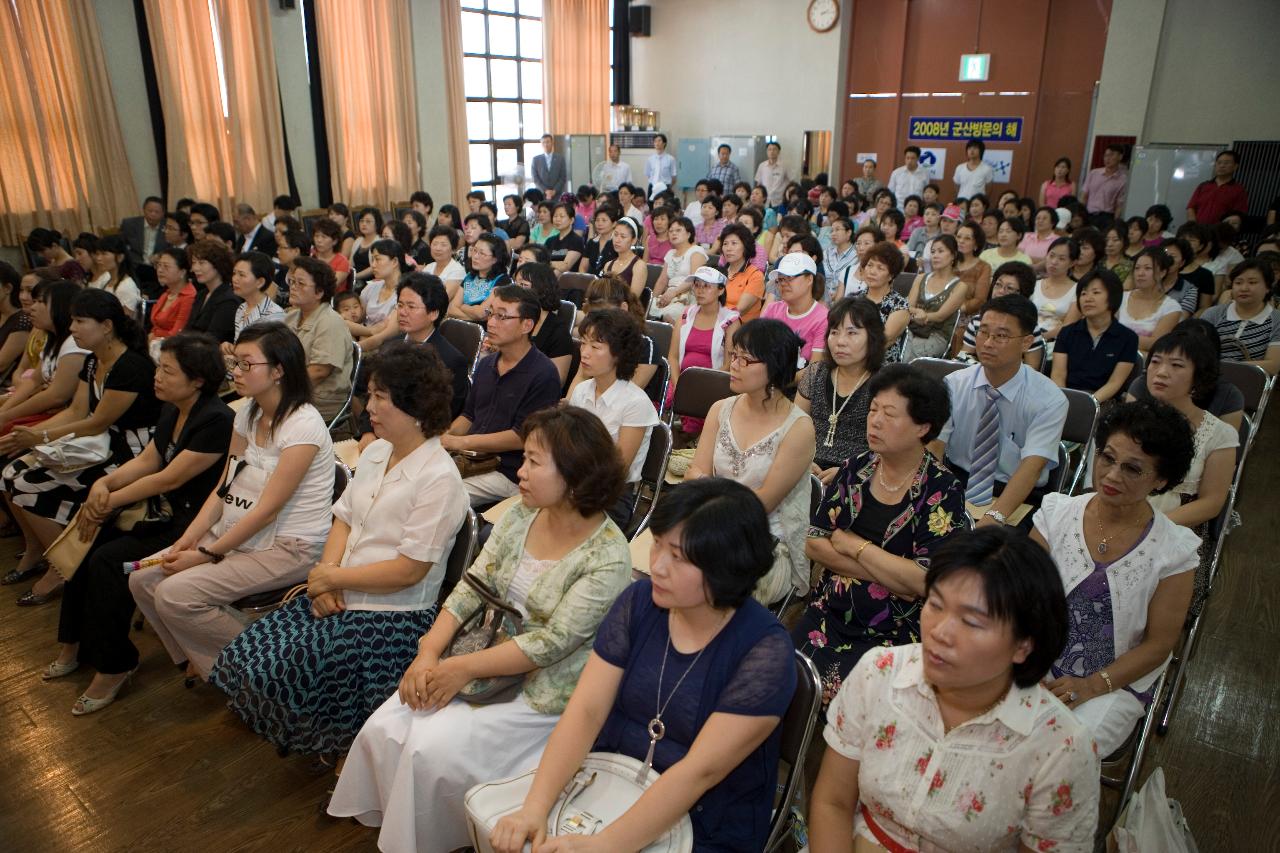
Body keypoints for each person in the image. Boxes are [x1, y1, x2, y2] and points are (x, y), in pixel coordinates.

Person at [329, 405, 631, 852]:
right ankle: (394, 821)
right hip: (482, 650)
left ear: (575, 475)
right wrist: (429, 652)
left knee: (426, 748)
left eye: (533, 462)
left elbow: (550, 645)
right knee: (387, 725)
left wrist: (461, 668)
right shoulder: (522, 515)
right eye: (523, 459)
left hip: (540, 689)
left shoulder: (608, 556)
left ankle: (421, 839)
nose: (520, 472)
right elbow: (473, 586)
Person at [488, 477, 796, 853]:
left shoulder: (765, 651)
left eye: (678, 557)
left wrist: (606, 845)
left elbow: (699, 772)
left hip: (704, 820)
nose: (657, 566)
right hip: (609, 780)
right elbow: (585, 711)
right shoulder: (640, 601)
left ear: (726, 568)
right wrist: (533, 810)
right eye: (658, 545)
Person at [210, 343, 468, 755]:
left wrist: (334, 577)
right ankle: (318, 738)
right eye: (371, 395)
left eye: (381, 398)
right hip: (342, 590)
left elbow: (409, 570)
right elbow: (344, 517)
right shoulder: (377, 451)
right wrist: (325, 576)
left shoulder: (439, 478)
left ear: (415, 407)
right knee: (249, 655)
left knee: (288, 665)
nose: (369, 407)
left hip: (393, 615)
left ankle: (339, 745)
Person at [809, 526, 1100, 852]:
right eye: (935, 605)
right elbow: (833, 802)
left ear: (1023, 645)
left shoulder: (1060, 747)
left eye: (972, 622)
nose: (940, 632)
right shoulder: (879, 673)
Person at [129, 323, 335, 681]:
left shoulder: (303, 426)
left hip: (292, 547)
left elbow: (269, 508)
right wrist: (189, 540)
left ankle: (267, 667)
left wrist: (207, 553)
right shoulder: (248, 412)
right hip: (243, 529)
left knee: (174, 595)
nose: (235, 372)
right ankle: (210, 662)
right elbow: (226, 486)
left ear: (278, 370)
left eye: (245, 364)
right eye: (234, 363)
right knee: (143, 580)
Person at [43, 333, 232, 714]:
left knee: (109, 562)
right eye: (159, 367)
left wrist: (109, 501)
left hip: (193, 522)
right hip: (161, 511)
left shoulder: (217, 419)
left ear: (197, 380)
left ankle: (116, 664)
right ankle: (74, 643)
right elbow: (149, 460)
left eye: (167, 370)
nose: (157, 377)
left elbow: (170, 478)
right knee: (91, 544)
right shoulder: (171, 409)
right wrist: (104, 484)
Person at [1031, 399, 1199, 755]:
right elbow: (1022, 595)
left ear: (1161, 480)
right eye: (1107, 458)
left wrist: (1091, 685)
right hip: (1034, 653)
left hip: (1113, 682)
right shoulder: (1056, 514)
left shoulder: (1174, 551)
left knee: (1063, 752)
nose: (1110, 475)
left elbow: (1159, 644)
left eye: (1132, 469)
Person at [796, 362, 966, 701]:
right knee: (775, 681)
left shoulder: (942, 490)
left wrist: (853, 545)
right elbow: (815, 544)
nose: (874, 420)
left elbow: (923, 582)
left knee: (850, 703)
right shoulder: (855, 468)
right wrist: (892, 575)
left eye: (889, 414)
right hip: (828, 611)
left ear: (923, 427)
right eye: (873, 409)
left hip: (897, 630)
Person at [2, 288, 159, 607]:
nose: (72, 328)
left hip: (133, 451)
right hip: (102, 442)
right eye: (72, 320)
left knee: (29, 487)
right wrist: (30, 434)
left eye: (79, 321)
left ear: (106, 326)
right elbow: (76, 410)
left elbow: (97, 422)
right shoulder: (93, 360)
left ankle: (65, 567)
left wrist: (40, 438)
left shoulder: (131, 366)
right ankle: (47, 554)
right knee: (10, 472)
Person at [687, 319, 816, 605]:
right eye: (734, 355)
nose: (734, 365)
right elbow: (694, 471)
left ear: (774, 366)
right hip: (712, 526)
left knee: (702, 585)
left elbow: (763, 504)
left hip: (765, 541)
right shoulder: (720, 409)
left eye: (745, 359)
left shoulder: (798, 428)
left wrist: (708, 491)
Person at [936, 294, 1068, 524]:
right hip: (956, 481)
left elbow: (1031, 468)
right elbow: (934, 448)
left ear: (1026, 343)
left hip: (1018, 493)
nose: (987, 343)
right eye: (984, 332)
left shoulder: (1050, 399)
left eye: (1001, 336)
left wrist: (994, 516)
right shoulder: (954, 384)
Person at [442, 285, 562, 507]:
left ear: (527, 325)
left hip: (508, 470)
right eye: (491, 313)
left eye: (502, 316)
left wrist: (460, 442)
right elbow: (469, 416)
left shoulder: (544, 374)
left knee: (443, 495)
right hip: (470, 458)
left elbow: (522, 436)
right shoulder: (487, 364)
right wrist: (444, 438)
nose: (491, 322)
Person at [568, 308, 659, 526]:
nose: (585, 352)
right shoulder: (582, 391)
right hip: (571, 482)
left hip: (611, 496)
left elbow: (617, 468)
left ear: (618, 354)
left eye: (595, 346)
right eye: (583, 343)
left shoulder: (635, 402)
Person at [799, 297, 886, 484]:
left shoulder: (885, 383)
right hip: (807, 470)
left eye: (852, 333)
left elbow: (890, 449)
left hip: (860, 477)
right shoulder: (816, 373)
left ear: (873, 337)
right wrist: (803, 461)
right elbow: (794, 428)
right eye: (834, 332)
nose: (840, 342)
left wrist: (849, 473)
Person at [0, 281, 89, 444]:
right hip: (48, 411)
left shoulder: (74, 343)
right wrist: (3, 413)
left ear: (61, 306)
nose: (33, 307)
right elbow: (33, 381)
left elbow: (56, 396)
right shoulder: (52, 338)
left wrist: (7, 416)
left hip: (63, 418)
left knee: (9, 434)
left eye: (40, 302)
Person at [666, 266, 740, 436]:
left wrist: (702, 382)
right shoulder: (686, 315)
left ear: (721, 290)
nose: (700, 290)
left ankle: (690, 438)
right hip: (682, 380)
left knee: (697, 405)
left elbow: (730, 364)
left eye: (706, 286)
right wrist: (679, 384)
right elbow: (673, 356)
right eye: (697, 285)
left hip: (713, 382)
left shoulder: (731, 321)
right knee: (660, 400)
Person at [281, 257, 353, 425]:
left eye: (300, 283)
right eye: (292, 282)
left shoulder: (330, 322)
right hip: (293, 391)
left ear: (319, 292)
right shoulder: (291, 317)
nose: (293, 287)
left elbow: (319, 371)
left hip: (319, 400)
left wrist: (279, 387)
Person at [1051, 269, 1139, 402]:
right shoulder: (1067, 332)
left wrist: (1089, 404)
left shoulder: (1128, 338)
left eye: (1096, 292)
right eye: (1083, 293)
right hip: (1066, 397)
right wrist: (1064, 402)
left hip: (1103, 401)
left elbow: (1115, 383)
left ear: (1112, 297)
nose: (1088, 298)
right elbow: (1058, 375)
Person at [958, 261, 1047, 370]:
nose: (1000, 292)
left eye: (1009, 288)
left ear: (1022, 294)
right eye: (998, 284)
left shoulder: (1029, 326)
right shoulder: (977, 320)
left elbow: (1032, 369)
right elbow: (964, 355)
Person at [1200, 259, 1279, 374]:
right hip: (1206, 378)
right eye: (1238, 282)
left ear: (1268, 287)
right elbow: (1195, 350)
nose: (1244, 288)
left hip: (1248, 382)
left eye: (1252, 282)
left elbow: (1273, 365)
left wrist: (1224, 367)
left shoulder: (1277, 320)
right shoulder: (1213, 314)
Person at [902, 235, 968, 361]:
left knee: (907, 355)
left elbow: (940, 316)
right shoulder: (921, 278)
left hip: (936, 336)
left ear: (953, 255)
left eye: (940, 251)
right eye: (933, 252)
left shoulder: (960, 286)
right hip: (911, 329)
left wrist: (924, 316)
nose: (935, 255)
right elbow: (908, 305)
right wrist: (917, 312)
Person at [512, 262, 574, 385]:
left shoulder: (558, 332)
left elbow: (557, 380)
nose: (515, 290)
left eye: (523, 285)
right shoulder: (512, 319)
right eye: (515, 284)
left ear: (541, 289)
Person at [850, 241, 910, 362]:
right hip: (849, 358)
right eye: (870, 265)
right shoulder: (854, 299)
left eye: (880, 268)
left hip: (880, 368)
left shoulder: (899, 305)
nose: (872, 271)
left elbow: (882, 341)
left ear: (891, 275)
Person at [762, 253, 829, 360]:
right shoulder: (772, 310)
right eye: (781, 279)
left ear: (809, 279)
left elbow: (815, 370)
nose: (783, 284)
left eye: (790, 278)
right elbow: (756, 350)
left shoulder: (823, 318)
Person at [1120, 247, 1182, 353]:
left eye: (1147, 268)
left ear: (1162, 272)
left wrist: (1117, 338)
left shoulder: (1171, 308)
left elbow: (1156, 343)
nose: (1140, 273)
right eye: (1137, 268)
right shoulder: (1120, 298)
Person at [183, 238, 242, 344]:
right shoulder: (201, 294)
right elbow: (187, 330)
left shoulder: (228, 300)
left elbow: (213, 339)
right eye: (194, 262)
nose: (195, 268)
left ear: (218, 264)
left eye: (201, 263)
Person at [227, 252, 285, 351]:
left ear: (260, 282)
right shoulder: (242, 308)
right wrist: (230, 348)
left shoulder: (274, 315)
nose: (235, 279)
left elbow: (269, 357)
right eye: (234, 273)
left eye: (242, 275)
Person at [358, 239, 412, 345]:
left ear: (394, 262)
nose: (373, 265)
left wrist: (354, 349)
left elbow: (386, 335)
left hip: (389, 348)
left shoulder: (407, 293)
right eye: (372, 260)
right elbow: (357, 317)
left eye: (377, 259)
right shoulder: (370, 288)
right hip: (364, 343)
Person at [450, 233, 512, 322]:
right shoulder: (470, 276)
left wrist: (463, 306)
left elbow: (482, 313)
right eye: (474, 250)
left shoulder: (502, 281)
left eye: (482, 253)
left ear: (495, 259)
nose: (475, 257)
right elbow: (451, 309)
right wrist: (474, 314)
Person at [1031, 237, 1080, 341]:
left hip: (1057, 344)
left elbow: (1068, 326)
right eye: (1051, 255)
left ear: (1072, 263)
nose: (1054, 262)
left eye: (1061, 259)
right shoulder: (1034, 285)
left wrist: (1039, 339)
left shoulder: (1077, 290)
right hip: (1028, 341)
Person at [1187, 150, 1247, 225]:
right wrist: (1193, 225)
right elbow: (1191, 207)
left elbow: (1238, 215)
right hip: (1198, 230)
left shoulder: (1239, 190)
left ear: (1235, 166)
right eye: (1219, 163)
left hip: (1220, 233)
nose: (1222, 166)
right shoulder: (1203, 186)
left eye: (1226, 163)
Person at [720, 223, 765, 322]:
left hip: (742, 328)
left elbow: (739, 310)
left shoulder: (755, 275)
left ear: (745, 246)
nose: (728, 248)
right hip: (716, 321)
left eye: (734, 243)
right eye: (725, 243)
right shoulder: (719, 272)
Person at [88, 235, 142, 316]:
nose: (98, 258)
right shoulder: (106, 280)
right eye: (98, 254)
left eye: (104, 254)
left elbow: (125, 321)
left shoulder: (126, 286)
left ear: (120, 257)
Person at [601, 216, 648, 298]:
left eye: (623, 236)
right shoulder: (608, 265)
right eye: (615, 235)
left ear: (633, 240)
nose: (617, 240)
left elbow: (633, 299)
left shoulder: (639, 266)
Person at [954, 220, 993, 318]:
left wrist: (952, 310)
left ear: (976, 244)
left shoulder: (983, 267)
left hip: (965, 316)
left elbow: (979, 301)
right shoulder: (949, 261)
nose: (961, 241)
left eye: (967, 238)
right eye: (958, 237)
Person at [119, 196, 168, 268]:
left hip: (157, 266)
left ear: (163, 213)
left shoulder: (168, 226)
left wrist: (160, 255)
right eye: (150, 211)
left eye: (157, 212)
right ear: (144, 210)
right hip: (135, 265)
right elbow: (121, 245)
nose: (153, 214)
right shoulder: (129, 224)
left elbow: (173, 247)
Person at [1081, 143, 1129, 216]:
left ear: (1120, 157)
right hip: (1088, 214)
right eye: (1106, 155)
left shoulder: (1123, 180)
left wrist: (1115, 223)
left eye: (1111, 155)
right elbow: (1084, 196)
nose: (1107, 158)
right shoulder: (1093, 173)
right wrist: (1081, 214)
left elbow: (1119, 205)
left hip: (1106, 216)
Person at [422, 224, 466, 302]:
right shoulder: (428, 268)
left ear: (453, 249)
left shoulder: (457, 270)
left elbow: (443, 299)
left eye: (443, 245)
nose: (438, 248)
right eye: (435, 244)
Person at [311, 218, 353, 291]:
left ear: (335, 241)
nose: (319, 240)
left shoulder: (342, 261)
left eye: (324, 237)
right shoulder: (312, 258)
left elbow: (331, 286)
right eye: (316, 236)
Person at [544, 203, 585, 274]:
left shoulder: (576, 240)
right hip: (548, 277)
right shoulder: (550, 241)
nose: (557, 219)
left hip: (568, 281)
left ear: (571, 220)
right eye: (555, 216)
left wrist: (548, 263)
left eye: (562, 216)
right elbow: (541, 261)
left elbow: (565, 267)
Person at [349, 207, 383, 285]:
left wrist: (355, 276)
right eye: (361, 221)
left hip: (372, 282)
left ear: (377, 224)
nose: (364, 224)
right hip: (355, 279)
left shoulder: (379, 242)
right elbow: (351, 263)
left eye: (368, 221)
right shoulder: (358, 240)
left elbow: (373, 268)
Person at [754, 141, 790, 207]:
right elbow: (758, 184)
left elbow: (791, 182)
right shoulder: (762, 165)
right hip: (765, 200)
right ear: (767, 152)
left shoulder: (785, 166)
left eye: (774, 149)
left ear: (779, 152)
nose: (772, 151)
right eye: (769, 149)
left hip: (779, 200)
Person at [645, 133, 678, 197]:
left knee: (665, 206)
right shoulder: (650, 159)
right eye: (655, 141)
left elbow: (674, 177)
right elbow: (648, 175)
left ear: (664, 143)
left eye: (659, 141)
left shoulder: (671, 159)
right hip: (653, 187)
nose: (657, 143)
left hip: (665, 187)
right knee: (651, 205)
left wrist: (668, 187)